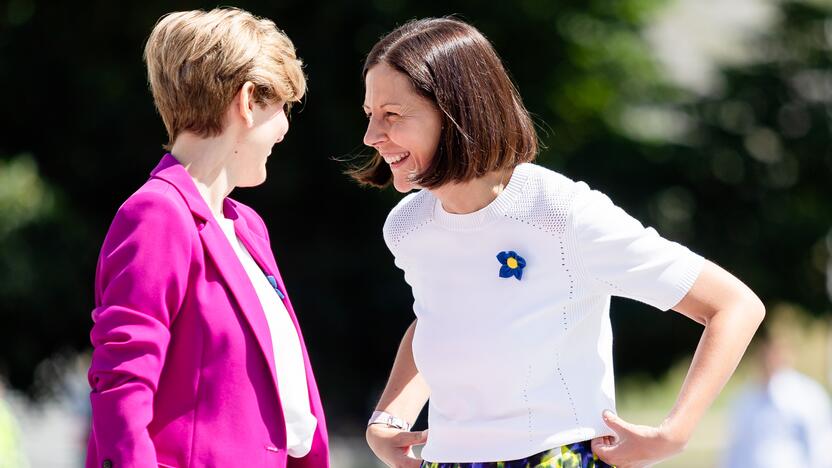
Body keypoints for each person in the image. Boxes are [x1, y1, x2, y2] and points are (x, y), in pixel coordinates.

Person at [352, 17, 765, 468]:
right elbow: (437, 319)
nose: (373, 136)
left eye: (391, 115)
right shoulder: (408, 227)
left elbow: (734, 305)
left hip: (559, 457)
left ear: (456, 111)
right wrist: (389, 417)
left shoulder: (561, 213)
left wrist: (675, 432)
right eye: (371, 115)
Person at [86, 8, 329, 467]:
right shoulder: (158, 213)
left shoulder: (248, 226)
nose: (285, 128)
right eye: (282, 108)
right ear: (247, 100)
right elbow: (121, 386)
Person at [722, 328, 832, 468]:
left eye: (776, 351)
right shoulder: (744, 397)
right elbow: (736, 449)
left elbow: (821, 448)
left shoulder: (808, 396)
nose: (768, 358)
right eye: (764, 352)